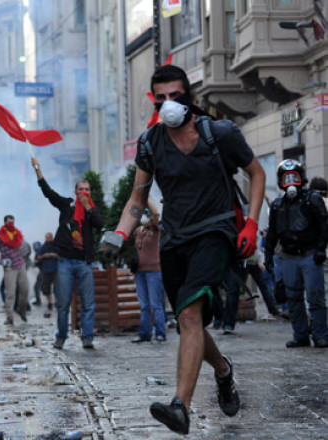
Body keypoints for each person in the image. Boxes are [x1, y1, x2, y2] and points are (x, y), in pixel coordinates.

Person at [99, 65, 264, 434]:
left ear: (189, 97)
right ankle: (223, 370)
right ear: (154, 102)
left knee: (189, 317)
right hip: (175, 240)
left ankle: (180, 407)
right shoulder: (150, 142)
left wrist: (251, 223)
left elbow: (257, 173)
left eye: (175, 96)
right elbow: (137, 200)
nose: (168, 104)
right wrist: (120, 236)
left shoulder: (218, 132)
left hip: (215, 232)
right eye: (161, 99)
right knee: (191, 322)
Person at [31, 157, 103, 350]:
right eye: (81, 189)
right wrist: (38, 171)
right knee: (63, 304)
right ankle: (61, 336)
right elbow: (49, 193)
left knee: (88, 303)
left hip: (84, 263)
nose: (84, 193)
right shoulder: (66, 207)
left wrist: (88, 207)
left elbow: (100, 225)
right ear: (75, 192)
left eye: (87, 190)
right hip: (65, 263)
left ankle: (87, 337)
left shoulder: (92, 211)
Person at [265, 160, 328, 348]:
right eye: (287, 178)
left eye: (294, 177)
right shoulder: (277, 205)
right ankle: (300, 335)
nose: (291, 181)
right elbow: (273, 233)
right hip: (289, 256)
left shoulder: (313, 200)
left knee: (315, 297)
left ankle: (320, 335)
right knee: (293, 298)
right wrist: (269, 255)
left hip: (310, 255)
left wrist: (320, 249)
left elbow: (324, 225)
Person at [130, 205, 167, 343]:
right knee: (144, 304)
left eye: (147, 214)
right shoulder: (138, 231)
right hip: (140, 271)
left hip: (154, 270)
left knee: (155, 304)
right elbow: (132, 215)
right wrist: (137, 200)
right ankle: (144, 334)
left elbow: (157, 216)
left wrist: (146, 196)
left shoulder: (156, 230)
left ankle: (160, 332)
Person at [0, 215, 29, 325]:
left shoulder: (17, 233)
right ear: (5, 223)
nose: (11, 225)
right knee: (10, 293)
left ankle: (21, 310)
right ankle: (9, 317)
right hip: (9, 267)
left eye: (13, 222)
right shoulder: (0, 236)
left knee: (25, 289)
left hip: (20, 264)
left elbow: (24, 247)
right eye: (9, 222)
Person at [34, 233, 58, 314]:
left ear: (52, 238)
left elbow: (62, 255)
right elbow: (38, 257)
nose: (49, 239)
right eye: (47, 237)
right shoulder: (42, 247)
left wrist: (53, 255)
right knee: (46, 288)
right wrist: (44, 256)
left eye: (50, 237)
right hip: (45, 270)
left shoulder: (56, 246)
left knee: (57, 287)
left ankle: (56, 302)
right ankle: (49, 303)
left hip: (56, 269)